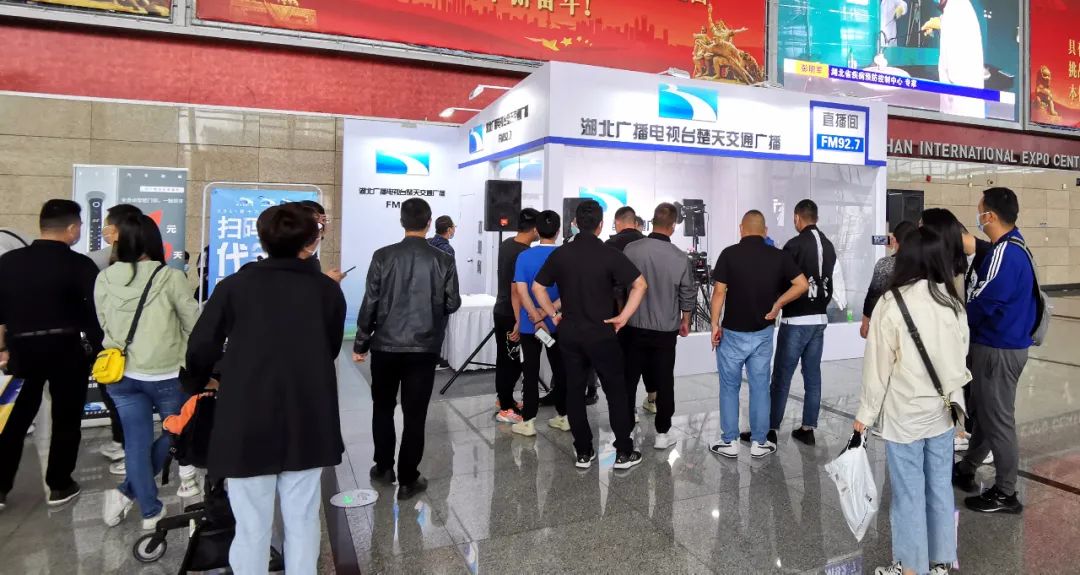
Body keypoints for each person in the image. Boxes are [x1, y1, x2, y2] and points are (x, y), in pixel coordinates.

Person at [185, 203, 347, 575]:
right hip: (307, 411)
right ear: (311, 241)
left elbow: (201, 346)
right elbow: (329, 348)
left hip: (245, 413)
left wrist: (199, 380)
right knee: (303, 517)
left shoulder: (234, 286)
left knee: (251, 524)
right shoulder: (327, 291)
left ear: (262, 240)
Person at [854, 227, 969, 575]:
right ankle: (940, 562)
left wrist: (864, 415)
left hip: (905, 414)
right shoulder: (953, 303)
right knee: (939, 488)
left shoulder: (891, 303)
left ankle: (910, 568)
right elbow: (960, 356)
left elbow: (877, 367)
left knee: (908, 492)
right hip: (943, 412)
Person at [353, 198, 460, 500]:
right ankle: (409, 478)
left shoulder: (382, 256)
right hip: (424, 348)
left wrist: (361, 343)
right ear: (429, 223)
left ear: (402, 222)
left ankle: (383, 467)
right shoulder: (443, 259)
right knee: (415, 413)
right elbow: (453, 302)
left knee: (382, 407)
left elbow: (370, 302)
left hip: (385, 346)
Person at [98, 214, 201, 530]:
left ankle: (149, 511)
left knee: (135, 444)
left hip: (121, 374)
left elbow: (103, 322)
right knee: (176, 432)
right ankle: (129, 492)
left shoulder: (104, 278)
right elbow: (193, 325)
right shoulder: (170, 277)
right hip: (167, 374)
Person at [0, 200, 102, 509]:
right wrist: (97, 349)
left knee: (13, 420)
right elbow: (94, 315)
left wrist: (2, 350)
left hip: (21, 352)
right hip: (67, 351)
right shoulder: (81, 265)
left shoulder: (8, 263)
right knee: (66, 419)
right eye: (79, 226)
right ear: (71, 228)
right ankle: (60, 485)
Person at [532, 199, 647, 470]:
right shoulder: (609, 254)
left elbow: (538, 287)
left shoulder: (561, 254)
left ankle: (583, 452)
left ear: (574, 223)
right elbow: (640, 284)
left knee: (574, 391)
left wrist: (553, 314)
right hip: (602, 333)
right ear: (601, 225)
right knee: (616, 391)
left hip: (570, 333)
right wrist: (623, 316)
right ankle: (623, 452)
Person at [953, 187, 1037, 515]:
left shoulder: (1005, 252)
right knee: (987, 415)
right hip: (1002, 345)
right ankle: (967, 467)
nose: (979, 217)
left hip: (998, 348)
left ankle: (1005, 492)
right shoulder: (1015, 247)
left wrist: (956, 323)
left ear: (990, 216)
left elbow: (984, 300)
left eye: (980, 211)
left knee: (998, 420)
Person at [709, 210, 808, 459]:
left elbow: (719, 293)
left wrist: (714, 324)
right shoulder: (779, 256)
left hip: (732, 333)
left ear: (741, 229)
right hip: (763, 333)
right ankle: (759, 442)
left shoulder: (729, 254)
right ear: (765, 231)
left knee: (729, 387)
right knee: (760, 387)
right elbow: (802, 284)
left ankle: (729, 442)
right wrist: (778, 305)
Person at [761, 200, 838, 447]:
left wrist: (776, 302)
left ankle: (771, 429)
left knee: (782, 376)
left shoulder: (794, 245)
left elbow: (783, 280)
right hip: (820, 319)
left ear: (797, 218)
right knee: (812, 376)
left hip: (796, 319)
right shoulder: (829, 245)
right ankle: (808, 428)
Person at [622, 203, 695, 449]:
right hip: (665, 330)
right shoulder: (680, 257)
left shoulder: (631, 250)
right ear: (673, 226)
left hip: (633, 326)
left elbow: (619, 285)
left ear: (652, 221)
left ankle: (626, 430)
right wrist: (685, 320)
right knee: (664, 380)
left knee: (629, 379)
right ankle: (662, 434)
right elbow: (687, 293)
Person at [88, 203, 144, 474]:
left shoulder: (97, 264)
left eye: (107, 227)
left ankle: (127, 448)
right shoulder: (159, 266)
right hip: (148, 351)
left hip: (113, 349)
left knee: (120, 401)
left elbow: (98, 314)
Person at [511, 210, 569, 437]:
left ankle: (528, 421)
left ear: (536, 230)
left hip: (529, 324)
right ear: (558, 231)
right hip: (557, 321)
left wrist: (535, 315)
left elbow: (521, 290)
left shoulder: (524, 256)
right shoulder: (565, 255)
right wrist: (547, 313)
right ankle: (564, 416)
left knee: (530, 370)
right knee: (560, 369)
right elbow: (567, 292)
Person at [493, 208, 539, 423]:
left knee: (505, 358)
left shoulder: (507, 244)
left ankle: (505, 399)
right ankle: (505, 408)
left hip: (501, 309)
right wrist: (519, 320)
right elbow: (517, 291)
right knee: (511, 361)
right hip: (512, 312)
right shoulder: (523, 253)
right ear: (535, 228)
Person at [921, 0, 986, 118]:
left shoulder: (956, 8)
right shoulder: (957, 7)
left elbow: (955, 72)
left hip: (960, 106)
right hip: (962, 101)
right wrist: (941, 21)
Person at [861, 221, 918, 339]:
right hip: (917, 324)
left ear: (895, 240)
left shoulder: (885, 264)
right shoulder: (925, 264)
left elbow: (873, 295)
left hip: (890, 323)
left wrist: (865, 323)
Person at [296, 199, 346, 283]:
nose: (323, 226)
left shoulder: (311, 256)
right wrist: (326, 280)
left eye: (324, 220)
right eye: (319, 221)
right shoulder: (290, 256)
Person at [88, 204, 143, 271]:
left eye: (105, 226)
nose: (103, 230)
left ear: (112, 229)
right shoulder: (148, 255)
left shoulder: (94, 258)